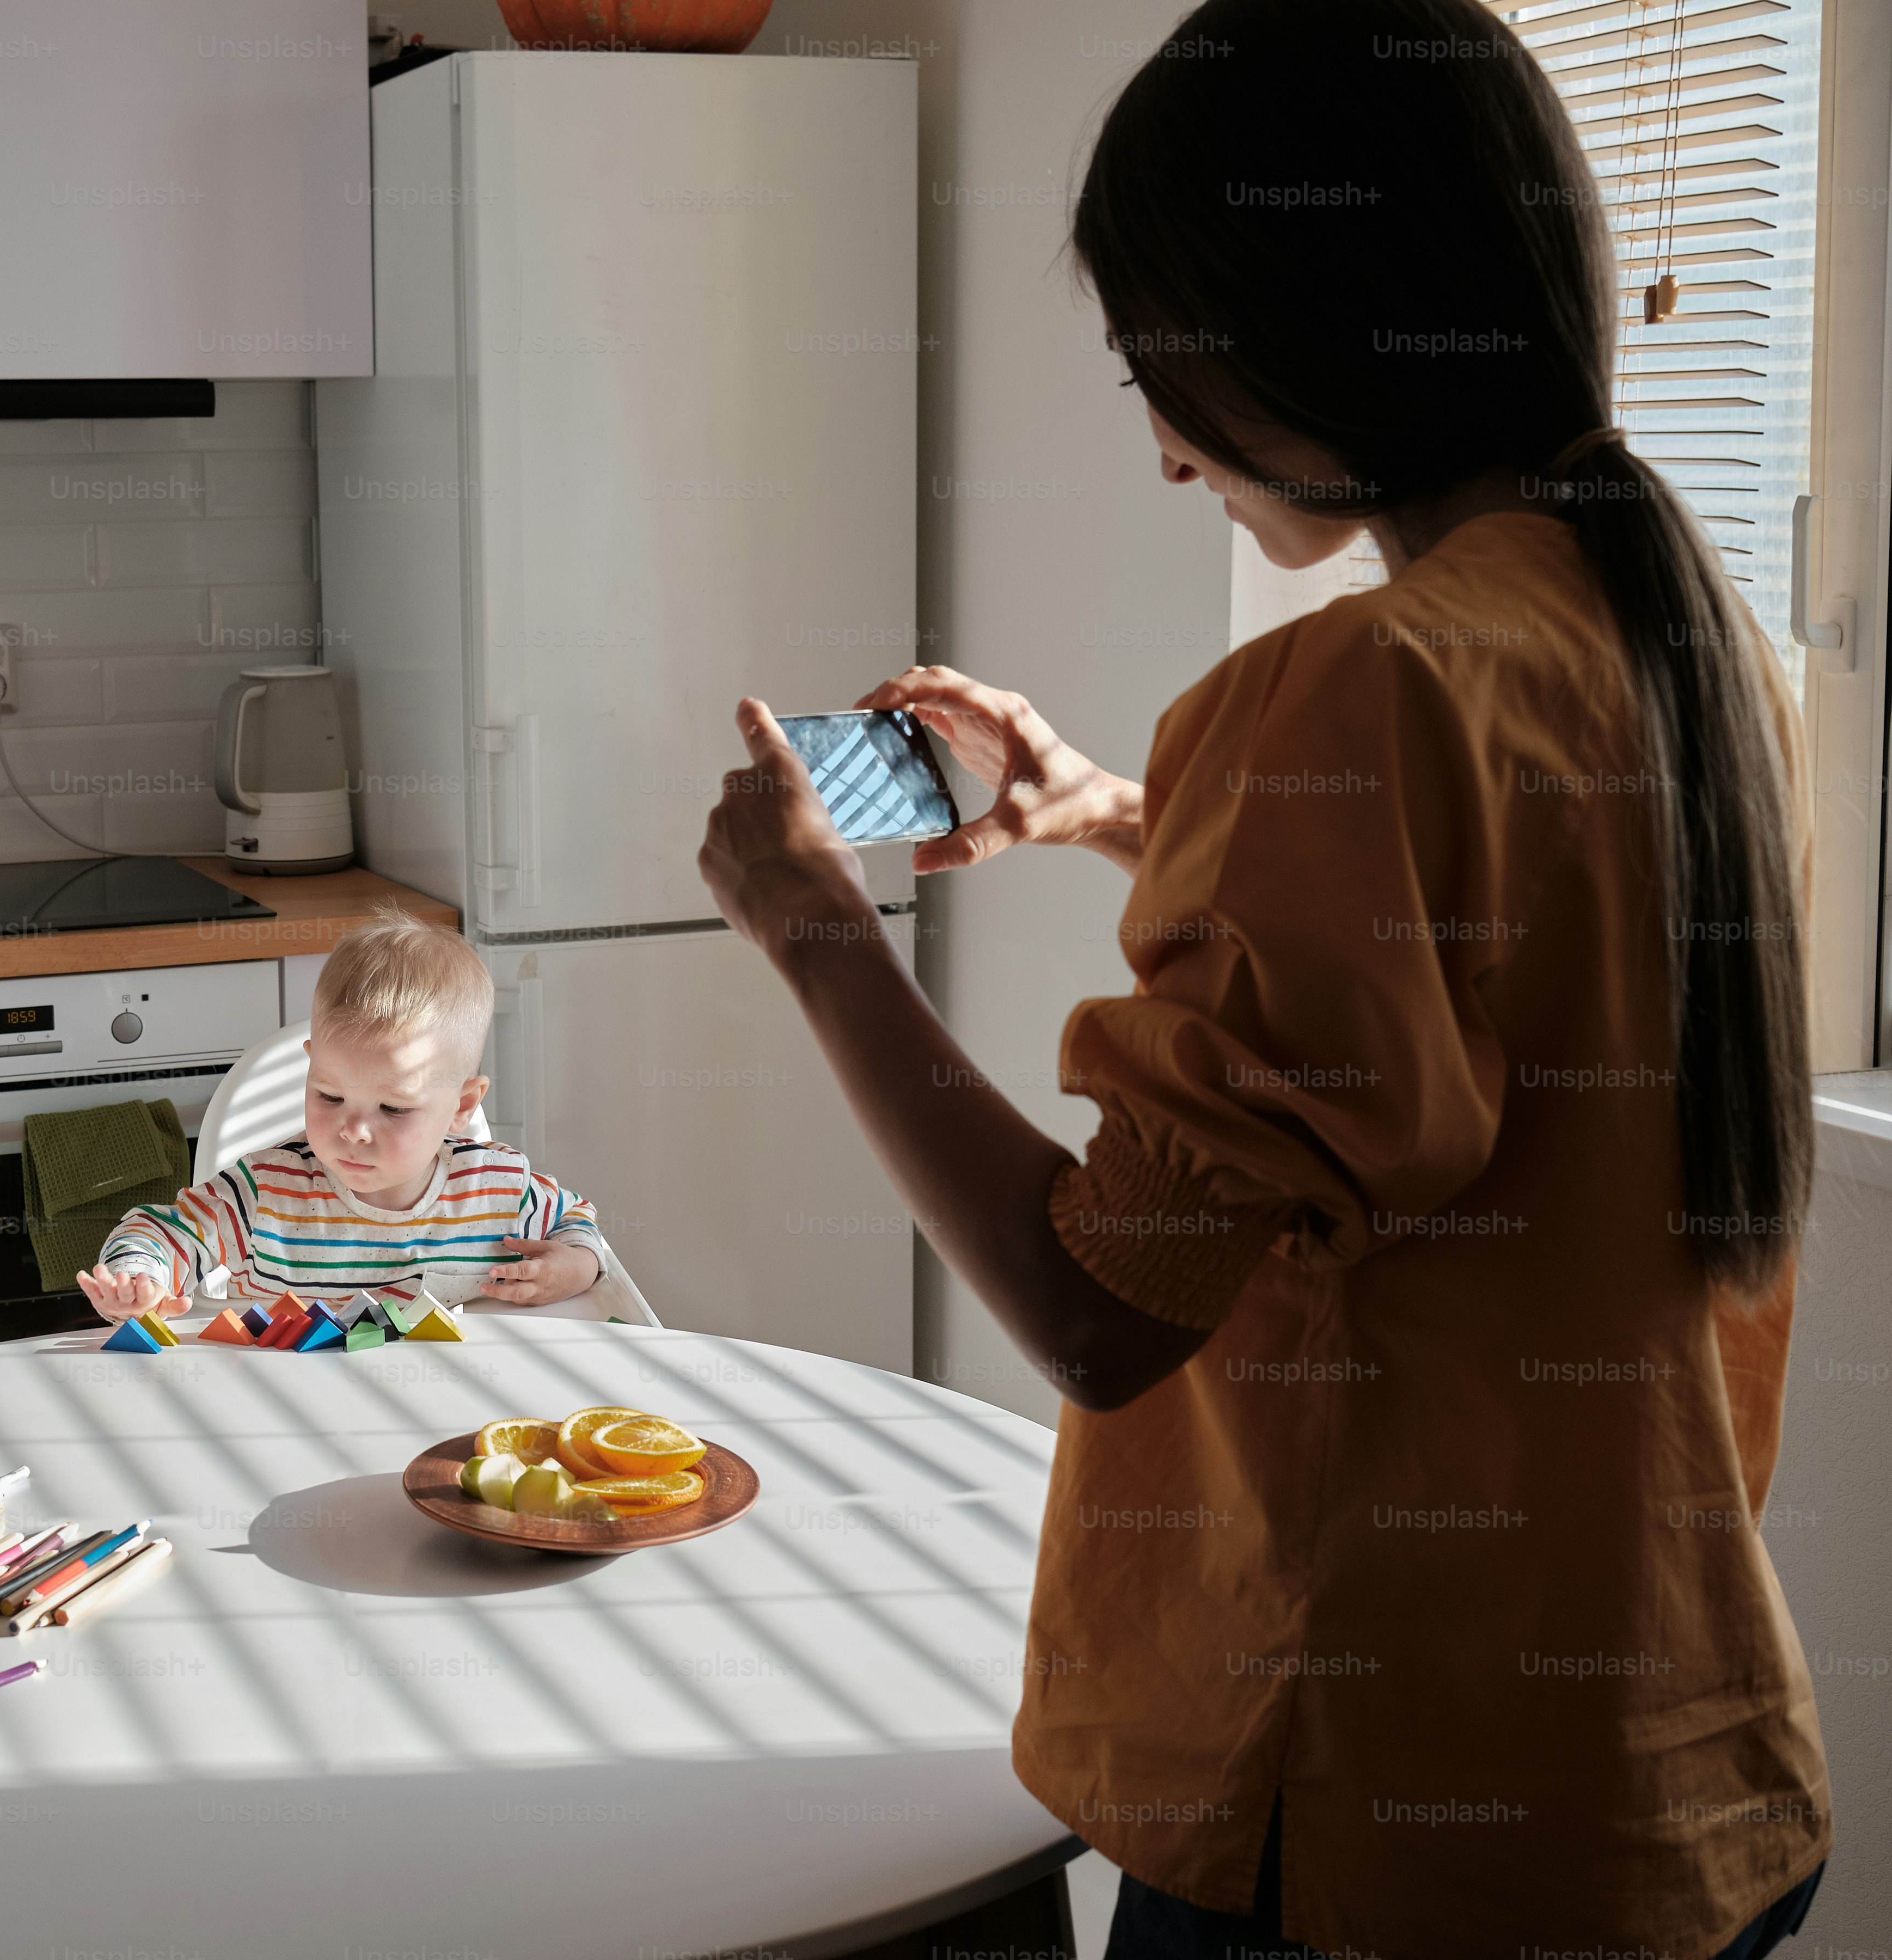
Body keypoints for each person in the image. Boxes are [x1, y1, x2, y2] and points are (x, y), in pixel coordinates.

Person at [694, 2, 1827, 1955]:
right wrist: (1114, 811)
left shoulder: (1350, 692)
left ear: (1297, 326)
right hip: (1674, 1769)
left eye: (1154, 364)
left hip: (1376, 1821)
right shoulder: (1682, 638)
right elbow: (1491, 962)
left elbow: (1093, 1311)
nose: (1156, 451)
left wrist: (813, 934)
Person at [77, 910, 608, 1315]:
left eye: (393, 1108)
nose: (352, 1131)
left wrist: (578, 1265)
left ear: (462, 1107)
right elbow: (158, 1230)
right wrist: (137, 1279)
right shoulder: (267, 1193)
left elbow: (574, 1219)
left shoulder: (496, 1190)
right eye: (330, 1096)